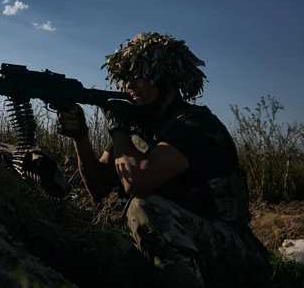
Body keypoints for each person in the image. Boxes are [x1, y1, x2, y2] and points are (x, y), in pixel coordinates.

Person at [53, 32, 272, 288]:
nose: (129, 86)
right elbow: (99, 188)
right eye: (125, 79)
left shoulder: (195, 125)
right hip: (190, 248)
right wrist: (80, 136)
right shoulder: (138, 129)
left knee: (143, 207)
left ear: (165, 78)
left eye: (139, 76)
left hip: (238, 257)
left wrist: (119, 126)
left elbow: (137, 183)